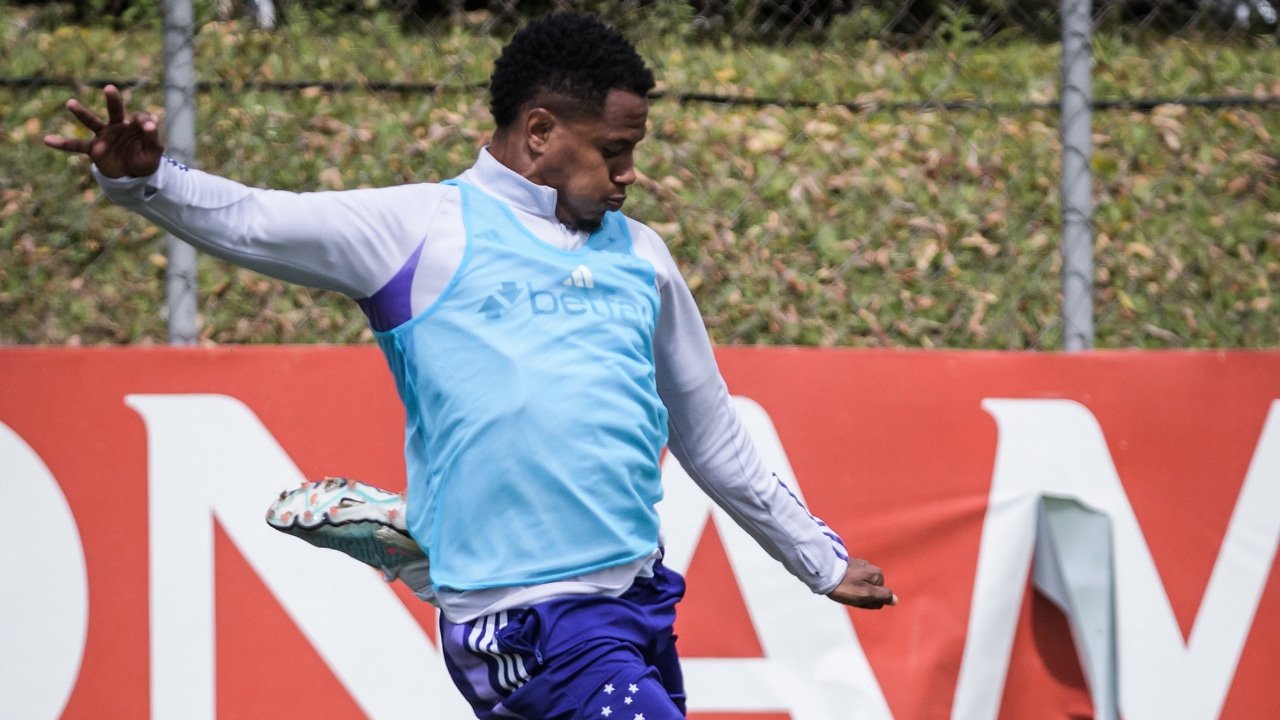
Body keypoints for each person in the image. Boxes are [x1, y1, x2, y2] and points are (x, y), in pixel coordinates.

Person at [45, 11, 895, 718]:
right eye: (614, 150)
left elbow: (711, 434)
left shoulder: (643, 256)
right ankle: (446, 546)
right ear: (538, 133)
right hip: (527, 626)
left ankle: (432, 537)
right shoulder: (419, 231)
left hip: (638, 601)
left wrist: (816, 559)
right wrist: (147, 180)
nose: (632, 174)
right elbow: (260, 221)